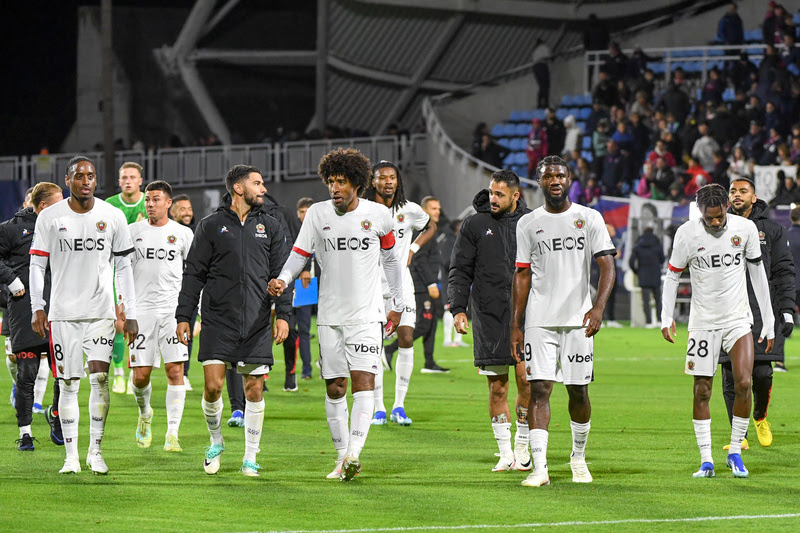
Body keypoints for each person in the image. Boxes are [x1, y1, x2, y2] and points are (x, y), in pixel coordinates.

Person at [268, 148, 404, 481]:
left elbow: (391, 261)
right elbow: (299, 253)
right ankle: (341, 457)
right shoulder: (316, 214)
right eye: (330, 182)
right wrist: (283, 280)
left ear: (356, 183)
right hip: (329, 316)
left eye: (341, 182)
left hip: (366, 316)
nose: (335, 188)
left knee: (363, 383)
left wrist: (396, 303)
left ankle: (354, 454)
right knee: (334, 388)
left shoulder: (379, 216)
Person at [175, 164, 292, 477]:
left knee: (254, 389)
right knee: (212, 387)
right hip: (217, 318)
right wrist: (184, 316)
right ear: (239, 188)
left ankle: (250, 456)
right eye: (257, 183)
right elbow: (193, 273)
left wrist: (283, 314)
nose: (262, 188)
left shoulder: (271, 224)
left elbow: (281, 275)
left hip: (256, 320)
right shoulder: (211, 225)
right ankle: (216, 441)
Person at [510, 155, 616, 487]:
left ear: (569, 179)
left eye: (560, 175)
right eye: (548, 176)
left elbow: (607, 266)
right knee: (538, 388)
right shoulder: (527, 223)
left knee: (578, 391)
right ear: (538, 181)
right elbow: (522, 274)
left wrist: (598, 308)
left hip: (578, 320)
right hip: (540, 320)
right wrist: (517, 323)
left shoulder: (589, 217)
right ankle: (540, 468)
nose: (555, 181)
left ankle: (578, 458)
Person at [29, 156, 139, 474]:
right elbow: (37, 265)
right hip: (63, 313)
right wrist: (38, 306)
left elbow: (124, 266)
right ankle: (71, 457)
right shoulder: (50, 217)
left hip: (100, 313)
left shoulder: (112, 216)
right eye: (80, 176)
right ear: (68, 181)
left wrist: (128, 310)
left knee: (100, 380)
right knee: (68, 385)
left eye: (91, 176)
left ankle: (96, 451)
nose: (86, 181)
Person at [660, 183, 774, 479]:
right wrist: (666, 315)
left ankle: (735, 452)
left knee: (744, 382)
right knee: (702, 390)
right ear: (699, 212)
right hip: (702, 323)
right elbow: (672, 276)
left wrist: (768, 318)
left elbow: (757, 273)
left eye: (719, 216)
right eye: (709, 217)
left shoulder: (745, 228)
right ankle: (706, 459)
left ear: (726, 207)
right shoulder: (686, 233)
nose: (715, 222)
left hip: (738, 319)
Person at [449, 169, 533, 472]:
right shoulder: (474, 224)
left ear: (515, 196)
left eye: (499, 194)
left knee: (527, 381)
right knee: (497, 388)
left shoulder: (533, 222)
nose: (492, 198)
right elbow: (460, 269)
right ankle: (505, 452)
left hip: (528, 316)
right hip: (489, 315)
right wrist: (458, 308)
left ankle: (523, 446)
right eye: (490, 192)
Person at [720, 179, 795, 448]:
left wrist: (786, 310)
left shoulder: (772, 230)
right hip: (728, 311)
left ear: (754, 197)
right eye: (733, 191)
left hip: (763, 313)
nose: (737, 195)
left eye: (743, 191)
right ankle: (738, 436)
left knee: (762, 374)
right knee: (731, 375)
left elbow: (784, 272)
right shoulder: (718, 228)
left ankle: (760, 416)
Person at [362, 161, 436, 426]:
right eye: (383, 178)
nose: (389, 182)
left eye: (392, 177)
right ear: (373, 182)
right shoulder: (364, 209)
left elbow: (430, 226)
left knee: (406, 338)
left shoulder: (410, 210)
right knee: (376, 345)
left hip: (401, 285)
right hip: (372, 285)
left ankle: (399, 406)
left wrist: (413, 250)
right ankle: (379, 408)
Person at [128, 180, 194, 452]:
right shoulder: (132, 232)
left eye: (156, 199)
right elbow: (121, 273)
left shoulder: (183, 234)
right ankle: (145, 414)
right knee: (140, 376)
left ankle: (172, 433)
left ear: (169, 203)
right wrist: (123, 309)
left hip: (172, 312)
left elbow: (194, 275)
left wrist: (191, 315)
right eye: (147, 199)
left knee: (175, 370)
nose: (150, 204)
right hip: (141, 312)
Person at [0, 182, 64, 450]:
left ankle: (59, 417)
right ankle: (25, 432)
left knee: (63, 371)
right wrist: (11, 279)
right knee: (27, 373)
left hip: (59, 307)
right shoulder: (11, 228)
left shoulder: (63, 229)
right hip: (24, 308)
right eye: (59, 202)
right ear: (44, 206)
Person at [385, 196, 449, 373]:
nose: (437, 211)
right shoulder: (420, 232)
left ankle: (429, 362)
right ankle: (389, 349)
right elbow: (418, 260)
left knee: (432, 323)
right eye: (433, 208)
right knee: (423, 323)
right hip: (420, 285)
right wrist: (430, 284)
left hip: (427, 283)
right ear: (424, 211)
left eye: (438, 208)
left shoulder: (431, 232)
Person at [106, 162, 148, 395]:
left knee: (139, 321)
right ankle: (119, 373)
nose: (128, 181)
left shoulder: (149, 202)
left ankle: (134, 370)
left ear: (140, 180)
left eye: (132, 177)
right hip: (117, 268)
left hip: (143, 270)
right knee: (120, 322)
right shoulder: (110, 205)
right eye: (124, 177)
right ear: (119, 181)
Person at [170, 194, 196, 391]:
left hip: (188, 293)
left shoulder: (197, 232)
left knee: (187, 334)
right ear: (173, 212)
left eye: (189, 209)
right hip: (165, 293)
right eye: (182, 209)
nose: (187, 213)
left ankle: (184, 374)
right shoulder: (167, 231)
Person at [293, 197, 316, 381]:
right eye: (302, 212)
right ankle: (303, 369)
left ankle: (320, 364)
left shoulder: (322, 231)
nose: (305, 215)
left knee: (325, 328)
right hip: (301, 286)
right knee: (300, 330)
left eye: (308, 211)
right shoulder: (293, 232)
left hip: (320, 286)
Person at [629, 224, 665, 327]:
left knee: (646, 301)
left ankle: (648, 322)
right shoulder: (657, 244)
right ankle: (659, 321)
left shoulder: (638, 245)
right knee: (658, 299)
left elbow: (631, 262)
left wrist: (637, 271)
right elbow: (662, 259)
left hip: (643, 274)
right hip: (655, 273)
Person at [531, 38, 552, 109]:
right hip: (542, 65)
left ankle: (540, 104)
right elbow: (548, 56)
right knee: (545, 85)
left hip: (535, 67)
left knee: (541, 86)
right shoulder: (543, 47)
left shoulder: (535, 50)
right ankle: (545, 104)